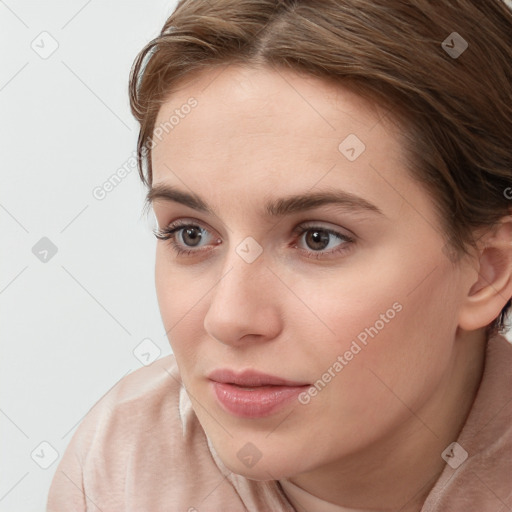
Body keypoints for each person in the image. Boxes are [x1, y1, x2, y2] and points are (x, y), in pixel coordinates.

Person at [47, 1, 512, 510]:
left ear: (487, 271)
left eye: (318, 238)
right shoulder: (120, 467)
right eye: (191, 235)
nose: (229, 318)